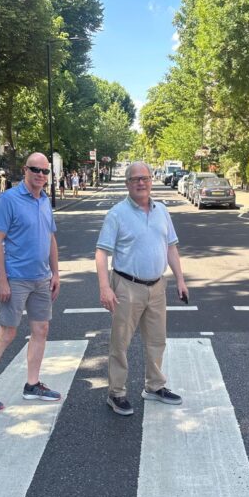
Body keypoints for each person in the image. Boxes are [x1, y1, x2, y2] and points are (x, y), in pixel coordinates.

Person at [0, 152, 61, 411]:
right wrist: (2, 280)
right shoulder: (9, 200)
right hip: (17, 278)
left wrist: (56, 273)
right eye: (36, 169)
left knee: (41, 331)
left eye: (45, 171)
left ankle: (32, 384)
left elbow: (51, 238)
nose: (41, 175)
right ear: (25, 170)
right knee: (7, 333)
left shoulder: (44, 200)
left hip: (42, 278)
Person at [96, 160, 189, 416]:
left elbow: (171, 246)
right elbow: (102, 252)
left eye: (145, 178)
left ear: (151, 181)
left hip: (157, 286)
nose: (141, 182)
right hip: (127, 285)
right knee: (120, 343)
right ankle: (116, 393)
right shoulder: (117, 214)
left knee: (157, 340)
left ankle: (155, 386)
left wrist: (180, 279)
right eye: (135, 179)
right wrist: (105, 287)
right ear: (127, 184)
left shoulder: (162, 211)